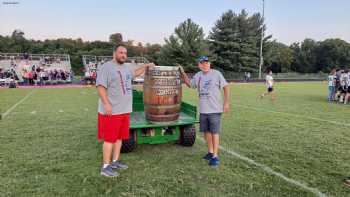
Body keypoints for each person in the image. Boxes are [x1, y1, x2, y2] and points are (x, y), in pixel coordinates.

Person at [96, 45, 154, 177]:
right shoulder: (107, 67)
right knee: (110, 139)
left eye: (125, 53)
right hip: (112, 110)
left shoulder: (126, 68)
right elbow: (100, 86)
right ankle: (105, 167)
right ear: (114, 53)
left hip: (124, 110)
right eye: (120, 52)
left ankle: (115, 161)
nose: (123, 55)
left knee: (119, 138)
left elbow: (136, 73)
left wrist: (146, 66)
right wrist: (106, 104)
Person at [180, 56, 230, 167]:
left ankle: (215, 157)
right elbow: (190, 84)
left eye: (206, 63)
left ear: (209, 63)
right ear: (199, 65)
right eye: (202, 63)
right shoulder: (198, 75)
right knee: (206, 132)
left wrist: (226, 103)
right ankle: (210, 152)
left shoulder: (216, 74)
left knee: (214, 133)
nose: (205, 65)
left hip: (215, 109)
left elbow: (226, 87)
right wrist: (183, 74)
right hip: (203, 109)